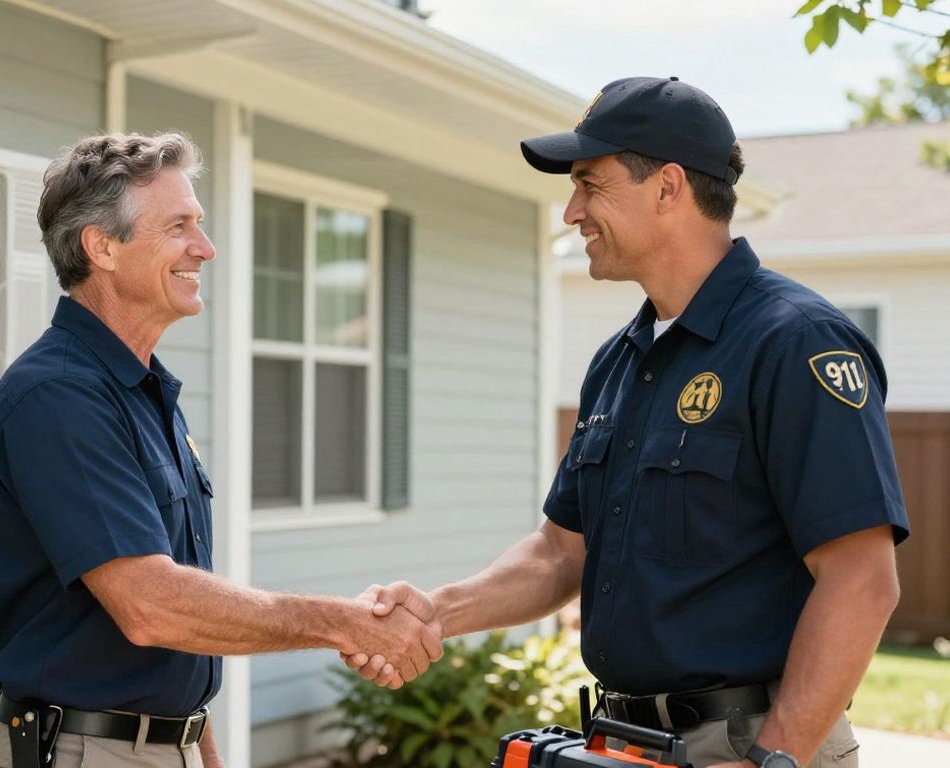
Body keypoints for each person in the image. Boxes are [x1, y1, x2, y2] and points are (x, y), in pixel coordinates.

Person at [346, 77, 909, 768]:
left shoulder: (795, 343)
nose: (571, 211)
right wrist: (438, 611)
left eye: (590, 183)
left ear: (668, 187)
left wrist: (776, 757)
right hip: (626, 742)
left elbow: (861, 578)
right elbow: (561, 553)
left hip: (750, 744)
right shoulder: (621, 360)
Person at [0, 132, 441, 768]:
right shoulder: (59, 396)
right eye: (179, 226)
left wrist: (199, 748)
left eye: (201, 223)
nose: (206, 248)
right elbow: (149, 605)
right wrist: (344, 622)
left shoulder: (140, 391)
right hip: (79, 753)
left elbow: (170, 637)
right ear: (101, 247)